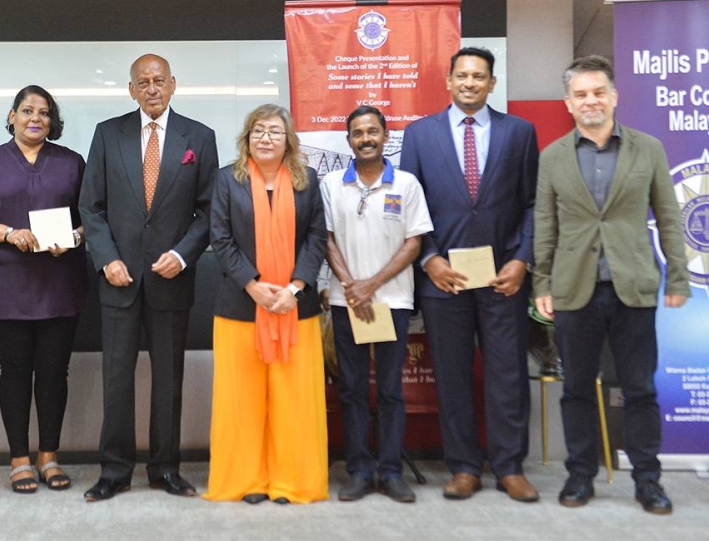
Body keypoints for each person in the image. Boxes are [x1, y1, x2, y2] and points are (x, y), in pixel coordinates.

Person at [533, 55, 689, 515]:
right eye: (581, 94)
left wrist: (676, 276)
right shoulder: (553, 157)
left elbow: (669, 217)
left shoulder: (649, 149)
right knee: (578, 387)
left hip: (634, 286)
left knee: (640, 388)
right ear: (568, 103)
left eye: (599, 92)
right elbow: (545, 223)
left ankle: (648, 481)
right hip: (573, 287)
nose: (591, 101)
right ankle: (580, 476)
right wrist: (542, 280)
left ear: (615, 96)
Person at [399, 47, 540, 502]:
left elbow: (534, 203)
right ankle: (462, 467)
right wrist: (430, 259)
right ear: (449, 80)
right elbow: (409, 208)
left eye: (479, 76)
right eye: (462, 75)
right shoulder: (420, 135)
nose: (470, 83)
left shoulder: (519, 132)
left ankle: (509, 466)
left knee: (507, 374)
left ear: (491, 84)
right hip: (445, 281)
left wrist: (521, 260)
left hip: (504, 279)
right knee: (452, 374)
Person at [79, 53, 218, 501]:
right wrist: (106, 259)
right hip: (117, 278)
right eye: (144, 82)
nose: (152, 88)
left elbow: (209, 210)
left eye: (160, 80)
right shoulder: (107, 134)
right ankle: (114, 471)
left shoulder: (200, 136)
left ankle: (165, 469)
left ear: (173, 84)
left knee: (168, 380)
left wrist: (184, 253)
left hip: (171, 279)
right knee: (116, 378)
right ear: (131, 89)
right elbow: (91, 207)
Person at [0, 85, 87, 494]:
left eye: (44, 113)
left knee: (54, 372)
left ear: (53, 121)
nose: (36, 118)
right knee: (14, 371)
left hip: (59, 283)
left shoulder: (72, 163)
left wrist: (76, 238)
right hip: (3, 285)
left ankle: (49, 456)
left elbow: (93, 218)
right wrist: (9, 233)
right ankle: (18, 459)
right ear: (11, 115)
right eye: (27, 110)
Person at [204, 104, 328, 505]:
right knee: (242, 402)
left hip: (295, 307)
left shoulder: (307, 182)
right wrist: (254, 287)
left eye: (275, 131)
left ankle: (291, 481)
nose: (266, 138)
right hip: (241, 308)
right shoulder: (227, 180)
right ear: (247, 138)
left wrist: (293, 289)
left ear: (288, 139)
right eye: (258, 131)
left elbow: (316, 239)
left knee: (295, 402)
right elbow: (220, 240)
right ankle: (248, 480)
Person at [322, 106, 433, 503]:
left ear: (385, 136)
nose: (365, 138)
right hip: (345, 301)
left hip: (392, 302)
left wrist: (371, 285)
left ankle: (390, 471)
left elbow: (414, 243)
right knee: (351, 390)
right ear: (349, 140)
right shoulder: (333, 184)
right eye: (357, 133)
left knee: (389, 391)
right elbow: (327, 239)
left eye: (372, 131)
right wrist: (352, 286)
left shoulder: (406, 184)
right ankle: (359, 470)